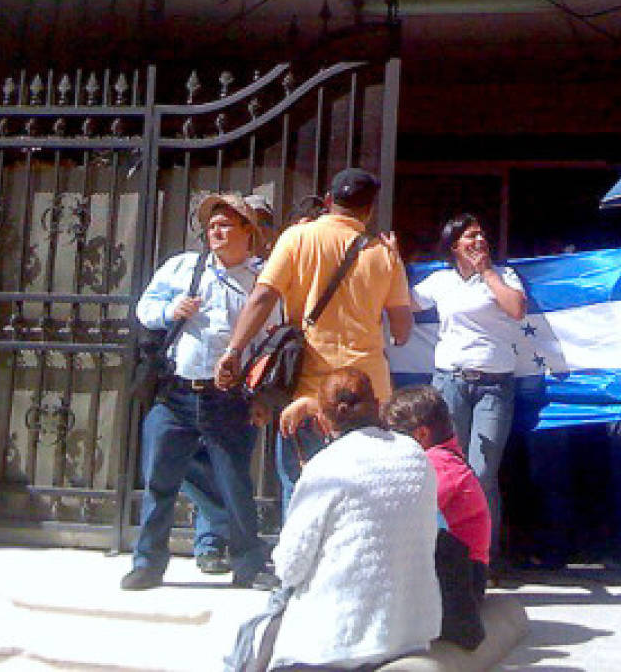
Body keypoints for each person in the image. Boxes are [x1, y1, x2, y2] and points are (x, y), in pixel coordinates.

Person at [216, 168, 414, 511]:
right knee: (363, 495)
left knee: (303, 489)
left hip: (310, 391)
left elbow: (263, 297)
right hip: (369, 394)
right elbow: (402, 331)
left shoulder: (297, 237)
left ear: (327, 202)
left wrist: (234, 350)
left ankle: (303, 562)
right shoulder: (384, 254)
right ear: (369, 210)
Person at [122, 193, 274, 591]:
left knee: (236, 484)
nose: (216, 232)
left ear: (247, 231)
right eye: (211, 226)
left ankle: (248, 564)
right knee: (159, 480)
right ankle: (148, 563)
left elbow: (271, 341)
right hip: (175, 395)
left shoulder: (261, 280)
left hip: (229, 399)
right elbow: (145, 308)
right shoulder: (183, 267)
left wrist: (263, 397)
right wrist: (170, 312)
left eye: (225, 225)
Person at [264, 370, 441, 670]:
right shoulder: (416, 455)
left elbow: (290, 567)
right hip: (411, 630)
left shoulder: (326, 466)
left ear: (322, 419)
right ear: (377, 403)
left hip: (337, 641)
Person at [412, 214, 527, 564]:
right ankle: (442, 554)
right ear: (454, 247)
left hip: (493, 387)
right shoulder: (441, 280)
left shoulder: (504, 276)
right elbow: (402, 303)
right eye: (470, 237)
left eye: (482, 236)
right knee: (444, 469)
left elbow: (517, 309)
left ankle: (481, 559)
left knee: (481, 472)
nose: (479, 242)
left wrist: (487, 272)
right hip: (450, 384)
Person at [382, 385, 491, 650]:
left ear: (421, 434)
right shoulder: (444, 457)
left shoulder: (439, 465)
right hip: (461, 574)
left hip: (461, 581)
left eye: (393, 435)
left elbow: (404, 512)